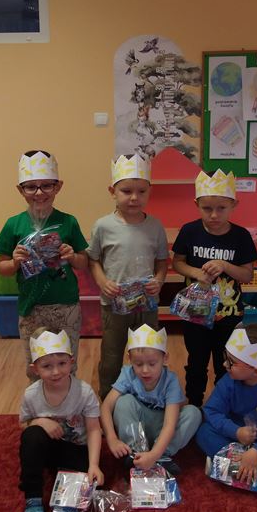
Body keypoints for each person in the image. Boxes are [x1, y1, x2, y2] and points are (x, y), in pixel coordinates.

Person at [0, 150, 89, 380]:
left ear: (58, 187)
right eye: (31, 187)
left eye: (46, 185)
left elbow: (83, 263)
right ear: (20, 190)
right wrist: (15, 261)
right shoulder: (14, 224)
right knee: (36, 364)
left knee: (67, 362)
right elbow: (2, 269)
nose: (39, 192)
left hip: (66, 305)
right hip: (32, 307)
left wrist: (72, 256)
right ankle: (39, 401)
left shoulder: (68, 222)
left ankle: (70, 400)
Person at [172, 170, 257, 407]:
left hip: (229, 315)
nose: (214, 215)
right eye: (207, 208)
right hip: (195, 312)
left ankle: (222, 405)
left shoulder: (240, 236)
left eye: (221, 208)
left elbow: (247, 274)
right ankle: (194, 404)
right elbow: (177, 262)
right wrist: (196, 272)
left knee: (226, 362)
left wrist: (224, 265)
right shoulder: (189, 231)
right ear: (196, 204)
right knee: (196, 361)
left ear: (234, 205)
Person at [87, 154, 169, 399]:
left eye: (141, 191)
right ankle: (107, 399)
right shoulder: (103, 226)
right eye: (126, 191)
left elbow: (162, 261)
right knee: (112, 355)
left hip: (147, 304)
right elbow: (93, 260)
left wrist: (159, 280)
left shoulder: (155, 226)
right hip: (113, 304)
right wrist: (103, 282)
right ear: (112, 191)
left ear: (149, 192)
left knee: (148, 353)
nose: (134, 197)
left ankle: (147, 396)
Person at [195, 322, 257, 502]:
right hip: (231, 435)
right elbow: (211, 411)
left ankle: (222, 467)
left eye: (231, 362)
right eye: (226, 358)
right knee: (203, 433)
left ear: (255, 371)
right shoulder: (228, 381)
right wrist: (236, 431)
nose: (225, 364)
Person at [18, 328, 104, 512]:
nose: (56, 372)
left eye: (62, 363)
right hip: (47, 448)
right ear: (35, 369)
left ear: (71, 362)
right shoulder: (31, 395)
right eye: (47, 366)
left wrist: (94, 465)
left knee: (93, 481)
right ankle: (33, 501)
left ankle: (66, 476)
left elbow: (94, 429)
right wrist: (40, 421)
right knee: (31, 435)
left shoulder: (84, 392)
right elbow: (23, 424)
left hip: (76, 449)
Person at [100, 324, 202, 476]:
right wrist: (112, 438)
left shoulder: (170, 381)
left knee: (194, 413)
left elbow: (170, 424)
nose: (145, 370)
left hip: (163, 429)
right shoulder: (128, 374)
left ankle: (161, 456)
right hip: (138, 426)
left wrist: (154, 455)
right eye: (138, 364)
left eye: (152, 364)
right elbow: (106, 406)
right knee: (123, 402)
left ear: (165, 358)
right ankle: (136, 452)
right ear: (129, 359)